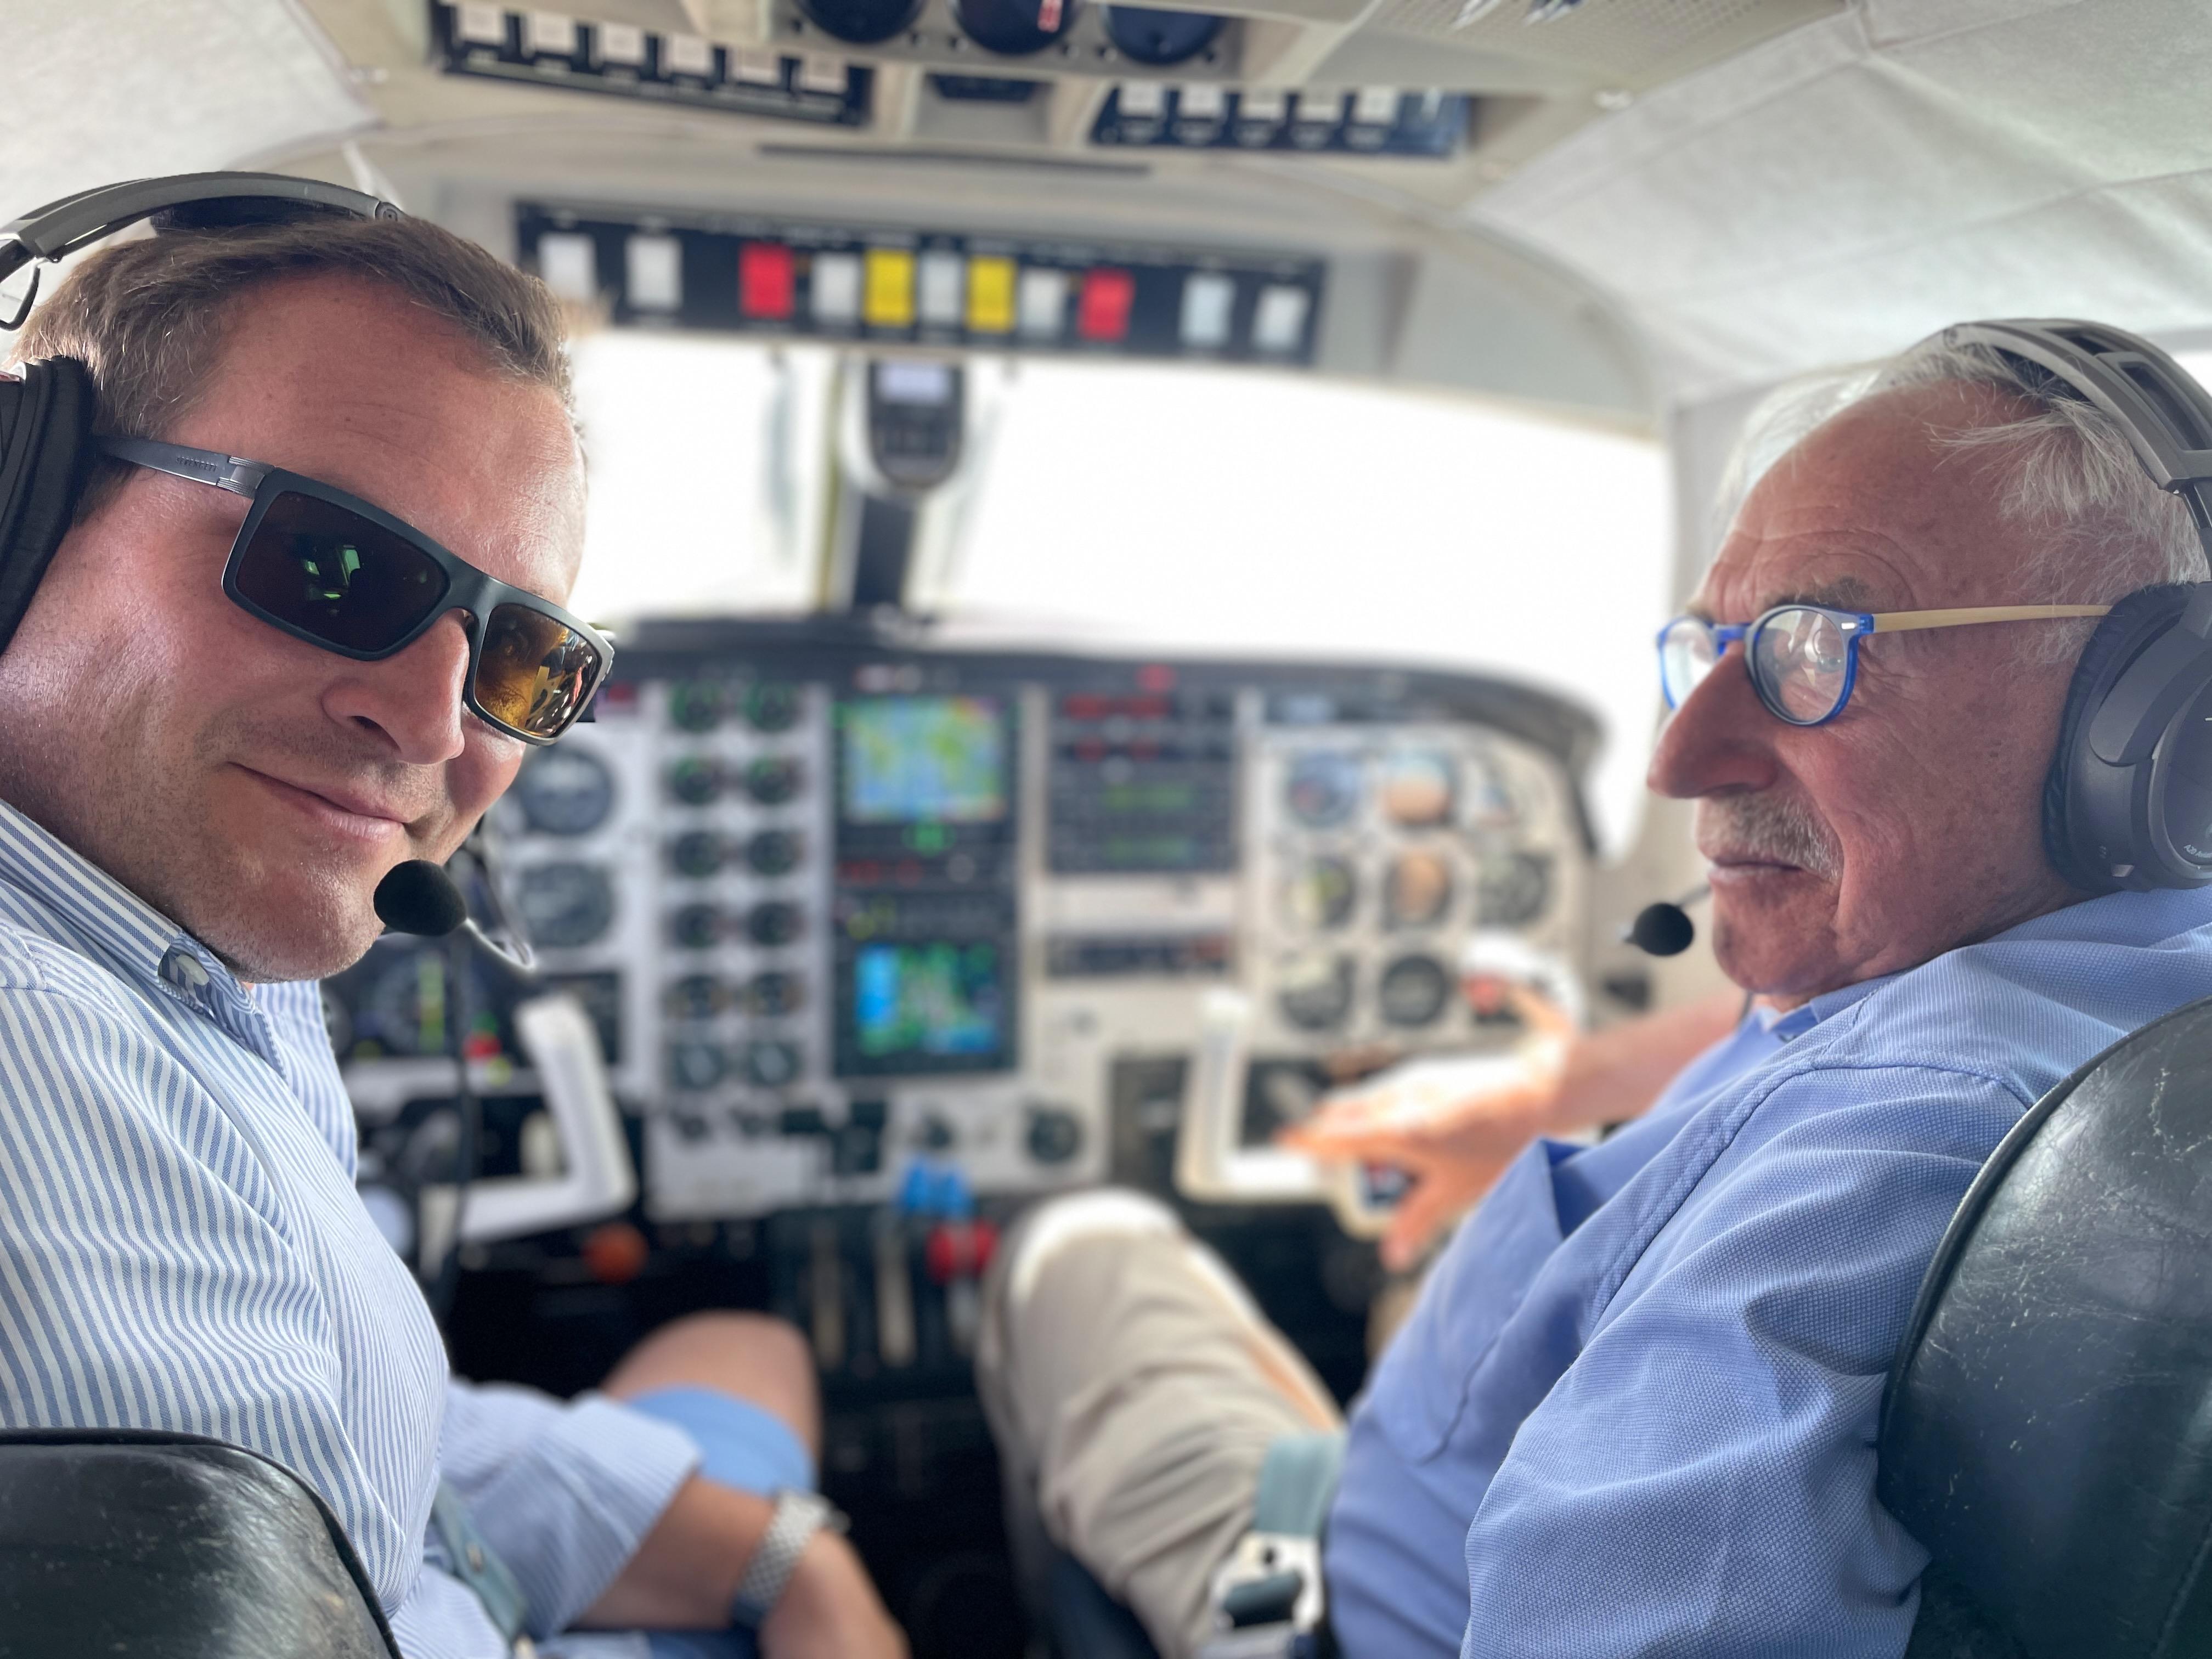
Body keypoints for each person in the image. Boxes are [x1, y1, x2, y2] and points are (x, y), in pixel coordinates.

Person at [978, 331, 2212, 1658]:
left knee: (1080, 1250)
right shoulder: (2070, 957)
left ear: (2149, 715)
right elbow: (1808, 1028)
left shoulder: (1849, 1191)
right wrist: (1549, 1094)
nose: (1679, 762)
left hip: (1333, 1611)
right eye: (1713, 649)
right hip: (1462, 1441)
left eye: (1811, 651)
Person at [0, 206, 904, 1658]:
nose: (435, 722)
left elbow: (351, 1441)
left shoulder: (168, 969)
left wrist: (790, 1566)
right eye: (330, 567)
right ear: (19, 501)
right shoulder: (39, 1070)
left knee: (745, 1349)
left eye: (522, 654)